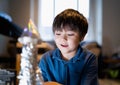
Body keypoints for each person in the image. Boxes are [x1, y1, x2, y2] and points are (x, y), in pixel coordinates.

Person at [38, 9, 98, 85]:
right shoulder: (46, 59)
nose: (63, 39)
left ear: (82, 36)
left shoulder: (89, 59)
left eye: (70, 34)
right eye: (58, 34)